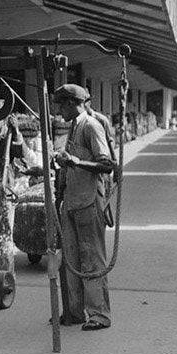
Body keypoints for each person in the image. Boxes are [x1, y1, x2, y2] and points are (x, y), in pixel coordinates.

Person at [50, 83, 115, 330]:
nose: (59, 112)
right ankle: (74, 312)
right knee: (72, 260)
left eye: (61, 106)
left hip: (89, 202)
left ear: (70, 104)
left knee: (92, 260)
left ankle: (99, 315)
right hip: (72, 202)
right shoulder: (74, 128)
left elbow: (106, 164)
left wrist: (76, 162)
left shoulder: (90, 126)